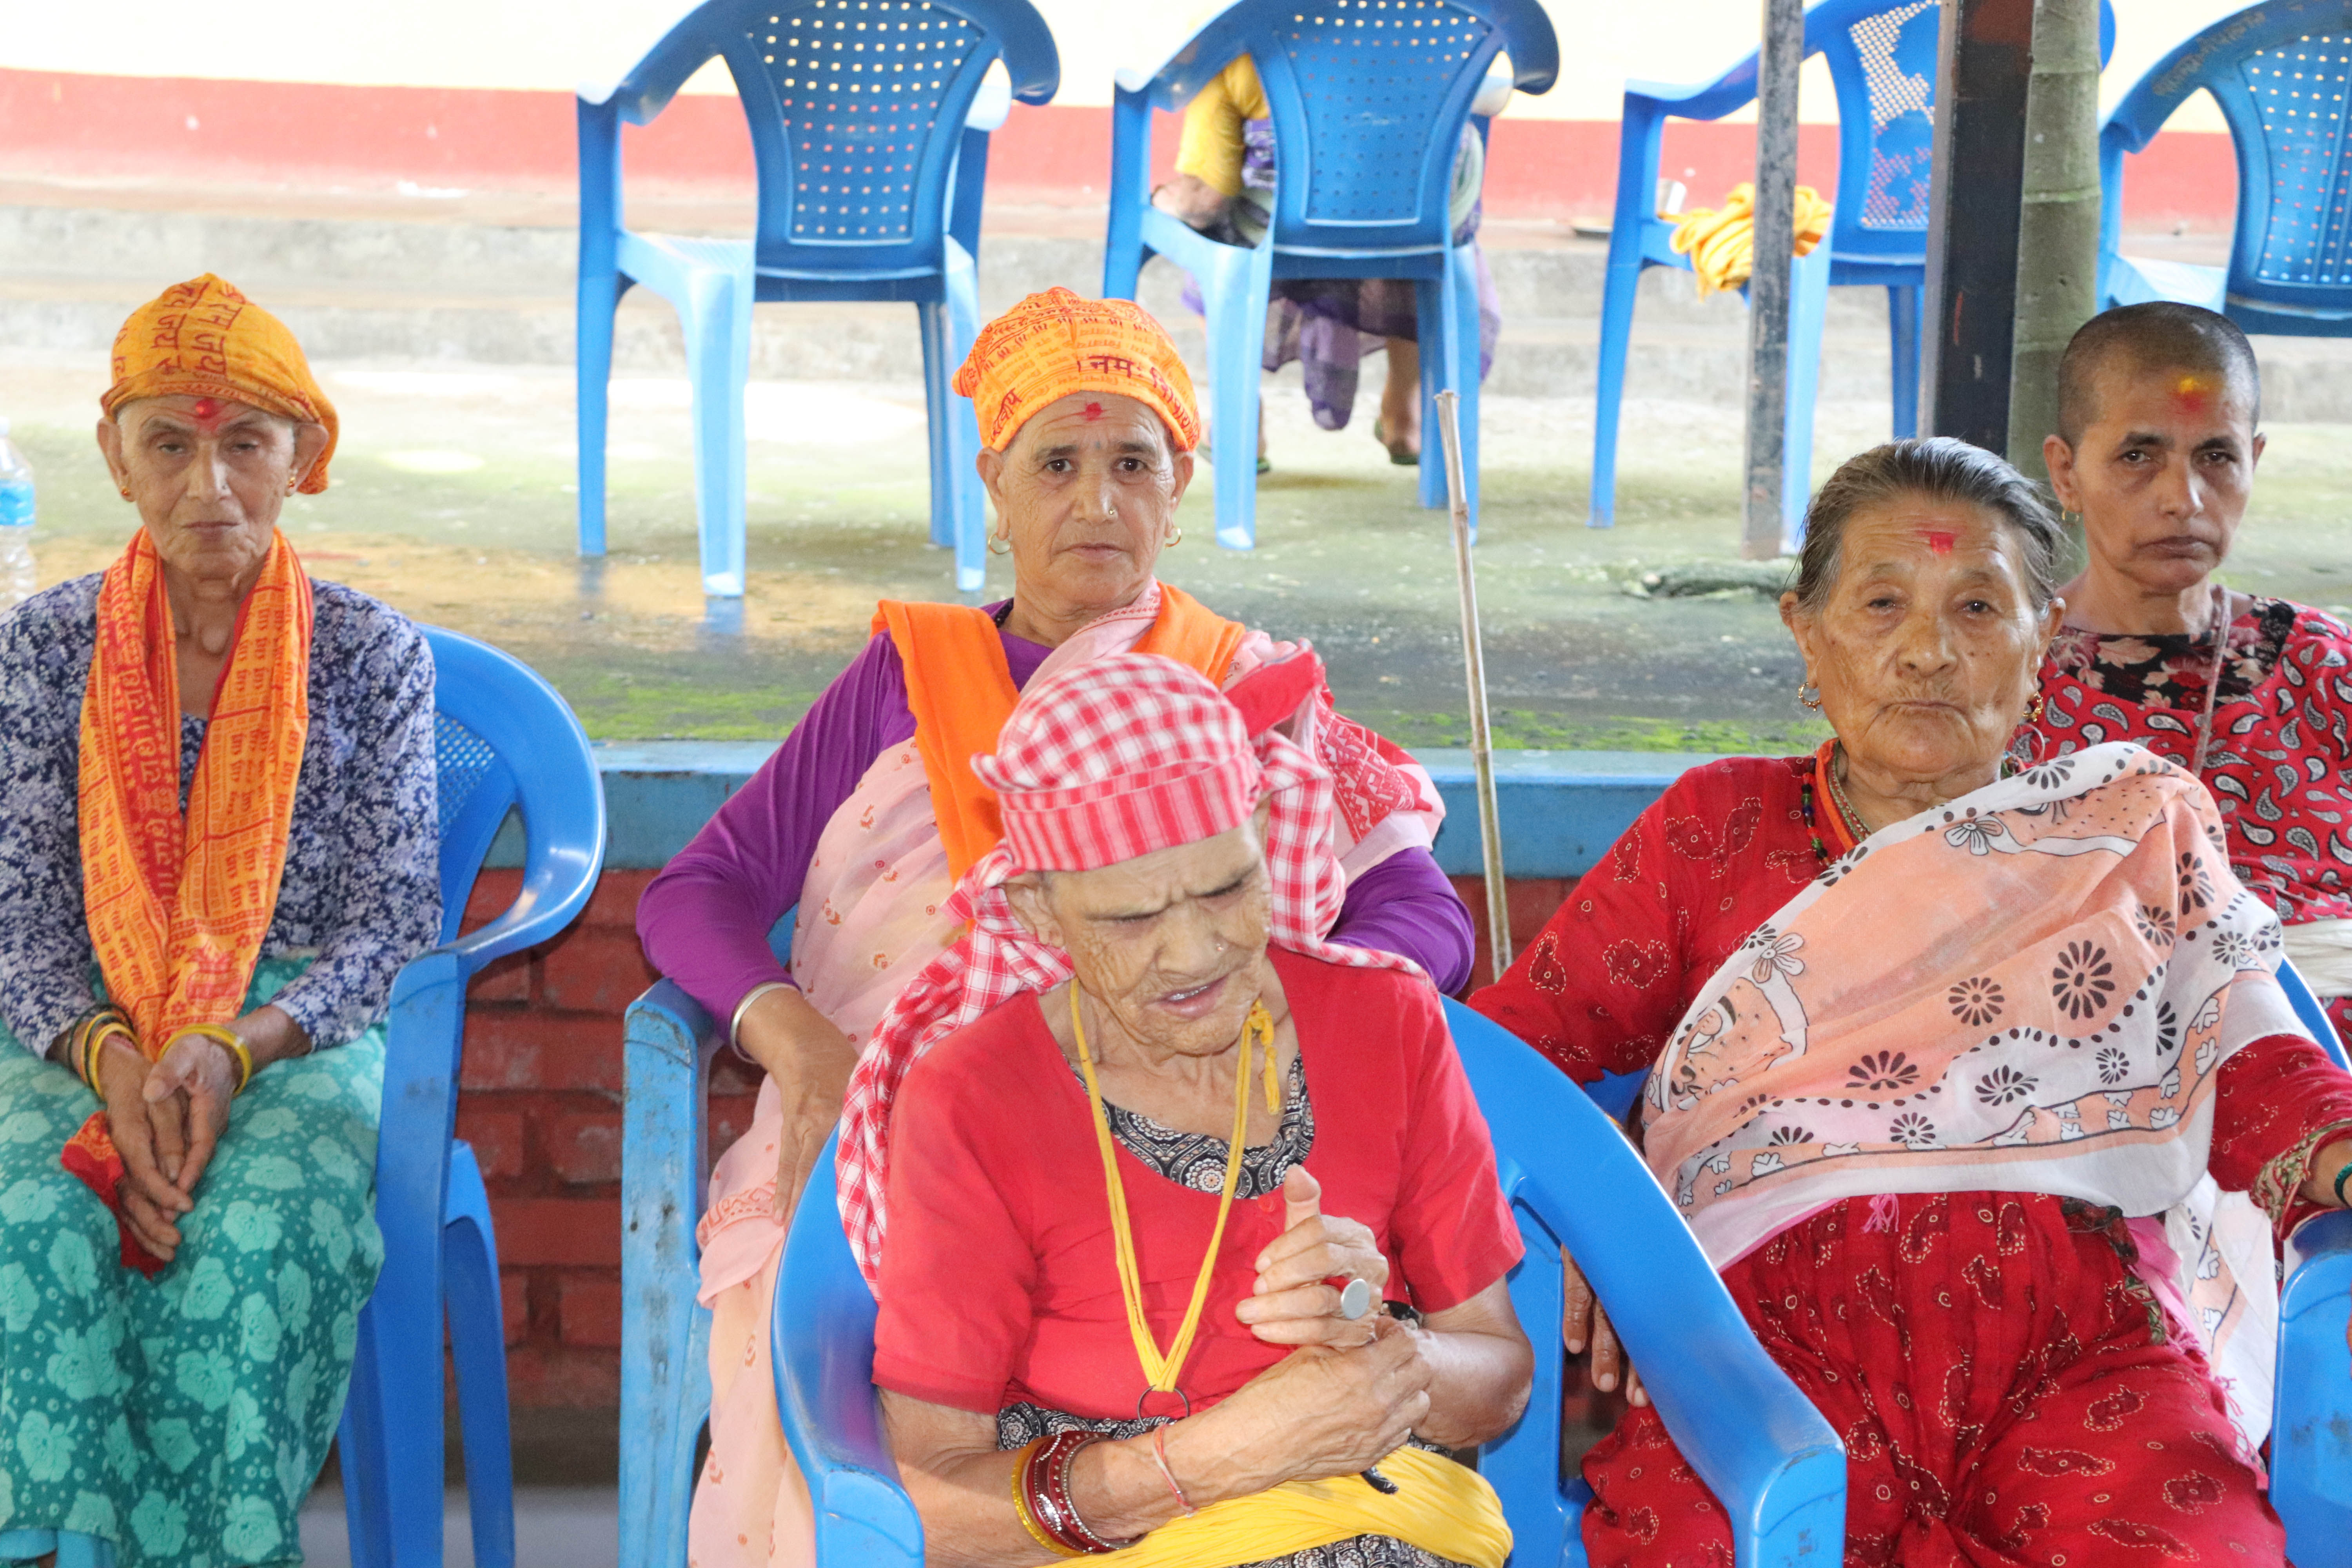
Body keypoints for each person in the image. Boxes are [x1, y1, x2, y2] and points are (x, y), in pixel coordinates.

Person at [635, 286, 1468, 1567]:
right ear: (996, 487)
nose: (1097, 502)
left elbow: (1415, 910)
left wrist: (1279, 1038)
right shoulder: (912, 679)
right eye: (1059, 465)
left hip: (1200, 1115)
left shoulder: (1247, 685)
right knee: (800, 1296)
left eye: (1133, 463)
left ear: (1180, 482)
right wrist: (806, 1053)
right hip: (900, 1115)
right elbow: (699, 891)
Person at [1475, 437, 2352, 1565]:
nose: (1928, 651)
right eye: (1883, 603)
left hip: (2079, 1343)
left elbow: (2250, 1062)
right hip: (1759, 1346)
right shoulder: (1717, 832)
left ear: (2047, 642)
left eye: (1979, 609)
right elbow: (1504, 1062)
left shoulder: (2115, 844)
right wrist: (1589, 1215)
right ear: (1808, 634)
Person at [860, 650, 1532, 1566]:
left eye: (1224, 888)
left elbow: (1497, 1376)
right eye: (1131, 919)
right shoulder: (974, 1097)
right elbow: (932, 1507)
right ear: (1040, 910)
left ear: (1262, 827)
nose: (1194, 953)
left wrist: (1378, 1345)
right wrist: (1209, 1463)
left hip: (1377, 1522)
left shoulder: (1387, 1022)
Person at [0, 274, 440, 1566]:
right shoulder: (40, 650)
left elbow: (388, 924)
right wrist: (116, 1059)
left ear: (303, 460)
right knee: (30, 1218)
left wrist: (232, 1045)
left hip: (290, 1022)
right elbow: (17, 915)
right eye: (171, 445)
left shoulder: (371, 653)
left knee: (253, 1234)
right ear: (114, 460)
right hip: (83, 1015)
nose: (210, 488)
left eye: (246, 443)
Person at [2032, 301, 2352, 1049]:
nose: (2183, 499)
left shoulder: (2322, 663)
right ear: (2066, 472)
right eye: (2139, 456)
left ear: (2255, 461)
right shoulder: (2000, 677)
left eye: (2216, 456)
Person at [1152, 56, 1503, 466]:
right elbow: (1496, 95)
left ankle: (1240, 419)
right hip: (1424, 223)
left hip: (1285, 227)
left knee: (1215, 236)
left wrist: (1168, 200)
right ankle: (1407, 414)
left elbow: (1206, 199)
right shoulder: (1443, 22)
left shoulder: (1236, 35)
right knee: (1401, 214)